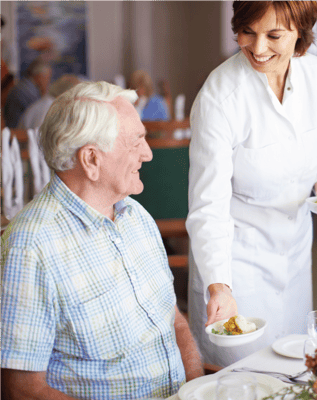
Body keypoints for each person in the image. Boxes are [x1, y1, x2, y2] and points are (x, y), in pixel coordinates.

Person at [0, 81, 203, 399]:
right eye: (136, 142)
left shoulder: (136, 216)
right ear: (91, 160)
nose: (147, 154)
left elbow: (174, 322)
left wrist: (198, 389)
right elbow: (22, 390)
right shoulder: (31, 247)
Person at [187, 0, 317, 367]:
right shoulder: (219, 97)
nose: (258, 48)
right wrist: (220, 285)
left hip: (294, 253)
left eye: (273, 35)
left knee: (294, 368)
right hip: (236, 262)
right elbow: (207, 205)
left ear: (301, 33)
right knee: (242, 378)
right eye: (247, 32)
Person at [3, 58, 52, 128]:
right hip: (16, 132)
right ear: (39, 76)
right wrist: (44, 93)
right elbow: (40, 111)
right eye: (47, 78)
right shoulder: (28, 91)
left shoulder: (24, 85)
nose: (48, 82)